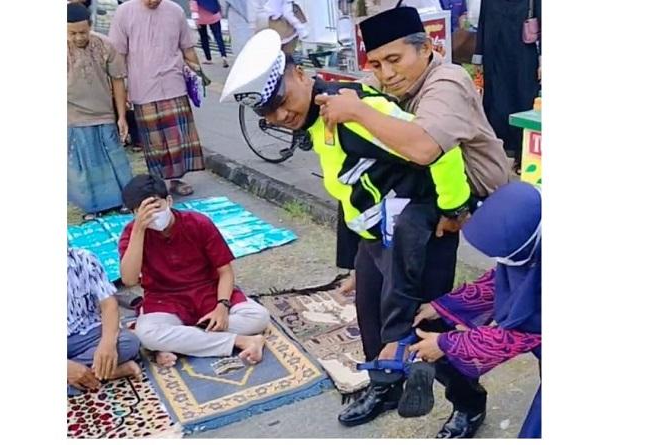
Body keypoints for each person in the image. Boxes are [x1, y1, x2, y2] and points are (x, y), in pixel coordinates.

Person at [221, 28, 475, 430]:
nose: (280, 116)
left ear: (301, 74)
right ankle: (385, 386)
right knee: (371, 321)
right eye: (268, 113)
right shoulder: (319, 118)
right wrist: (355, 261)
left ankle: (468, 401)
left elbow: (440, 151)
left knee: (425, 329)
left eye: (282, 101)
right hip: (375, 239)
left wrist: (453, 208)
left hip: (419, 237)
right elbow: (349, 190)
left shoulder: (354, 113)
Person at [311, 5, 512, 436]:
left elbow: (424, 149)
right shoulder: (386, 81)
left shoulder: (446, 83)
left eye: (395, 60)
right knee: (370, 303)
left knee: (426, 317)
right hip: (397, 209)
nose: (386, 74)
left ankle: (468, 401)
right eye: (377, 64)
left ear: (428, 48)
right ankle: (386, 384)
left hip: (458, 209)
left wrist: (360, 112)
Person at [410, 181, 542, 438]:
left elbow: (523, 332)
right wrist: (443, 306)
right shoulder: (538, 244)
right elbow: (505, 279)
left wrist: (445, 344)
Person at [117, 174, 269, 366]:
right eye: (144, 212)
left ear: (169, 201)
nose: (153, 216)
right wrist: (139, 230)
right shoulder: (132, 233)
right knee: (148, 334)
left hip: (209, 293)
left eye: (156, 207)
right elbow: (129, 280)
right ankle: (241, 341)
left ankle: (180, 341)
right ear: (135, 214)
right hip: (165, 300)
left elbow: (225, 271)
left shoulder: (198, 223)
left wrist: (222, 307)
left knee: (258, 317)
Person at [109, 0, 207, 197]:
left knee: (178, 138)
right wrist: (121, 91)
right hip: (142, 86)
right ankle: (159, 183)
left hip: (174, 83)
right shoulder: (124, 12)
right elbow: (117, 55)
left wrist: (198, 74)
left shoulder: (175, 11)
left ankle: (176, 180)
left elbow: (187, 48)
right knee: (154, 142)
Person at [67, 2, 134, 221]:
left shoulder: (105, 45)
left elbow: (117, 80)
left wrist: (121, 115)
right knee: (85, 163)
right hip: (73, 117)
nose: (78, 37)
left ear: (91, 25)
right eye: (72, 33)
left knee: (114, 157)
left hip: (104, 112)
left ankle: (125, 200)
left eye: (83, 32)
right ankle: (92, 207)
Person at [473, 0, 541, 170]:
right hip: (494, 55)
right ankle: (496, 155)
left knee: (523, 101)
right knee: (495, 104)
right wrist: (478, 55)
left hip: (523, 56)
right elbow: (483, 21)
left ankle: (521, 155)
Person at [67, 247, 142, 396]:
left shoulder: (84, 258)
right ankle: (109, 372)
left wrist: (107, 344)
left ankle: (85, 375)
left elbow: (109, 304)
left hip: (85, 334)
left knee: (128, 342)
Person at [191, 0, 230, 68]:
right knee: (218, 36)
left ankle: (208, 59)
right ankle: (224, 56)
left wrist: (195, 19)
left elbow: (194, 6)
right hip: (214, 16)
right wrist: (221, 11)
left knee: (204, 38)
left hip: (201, 18)